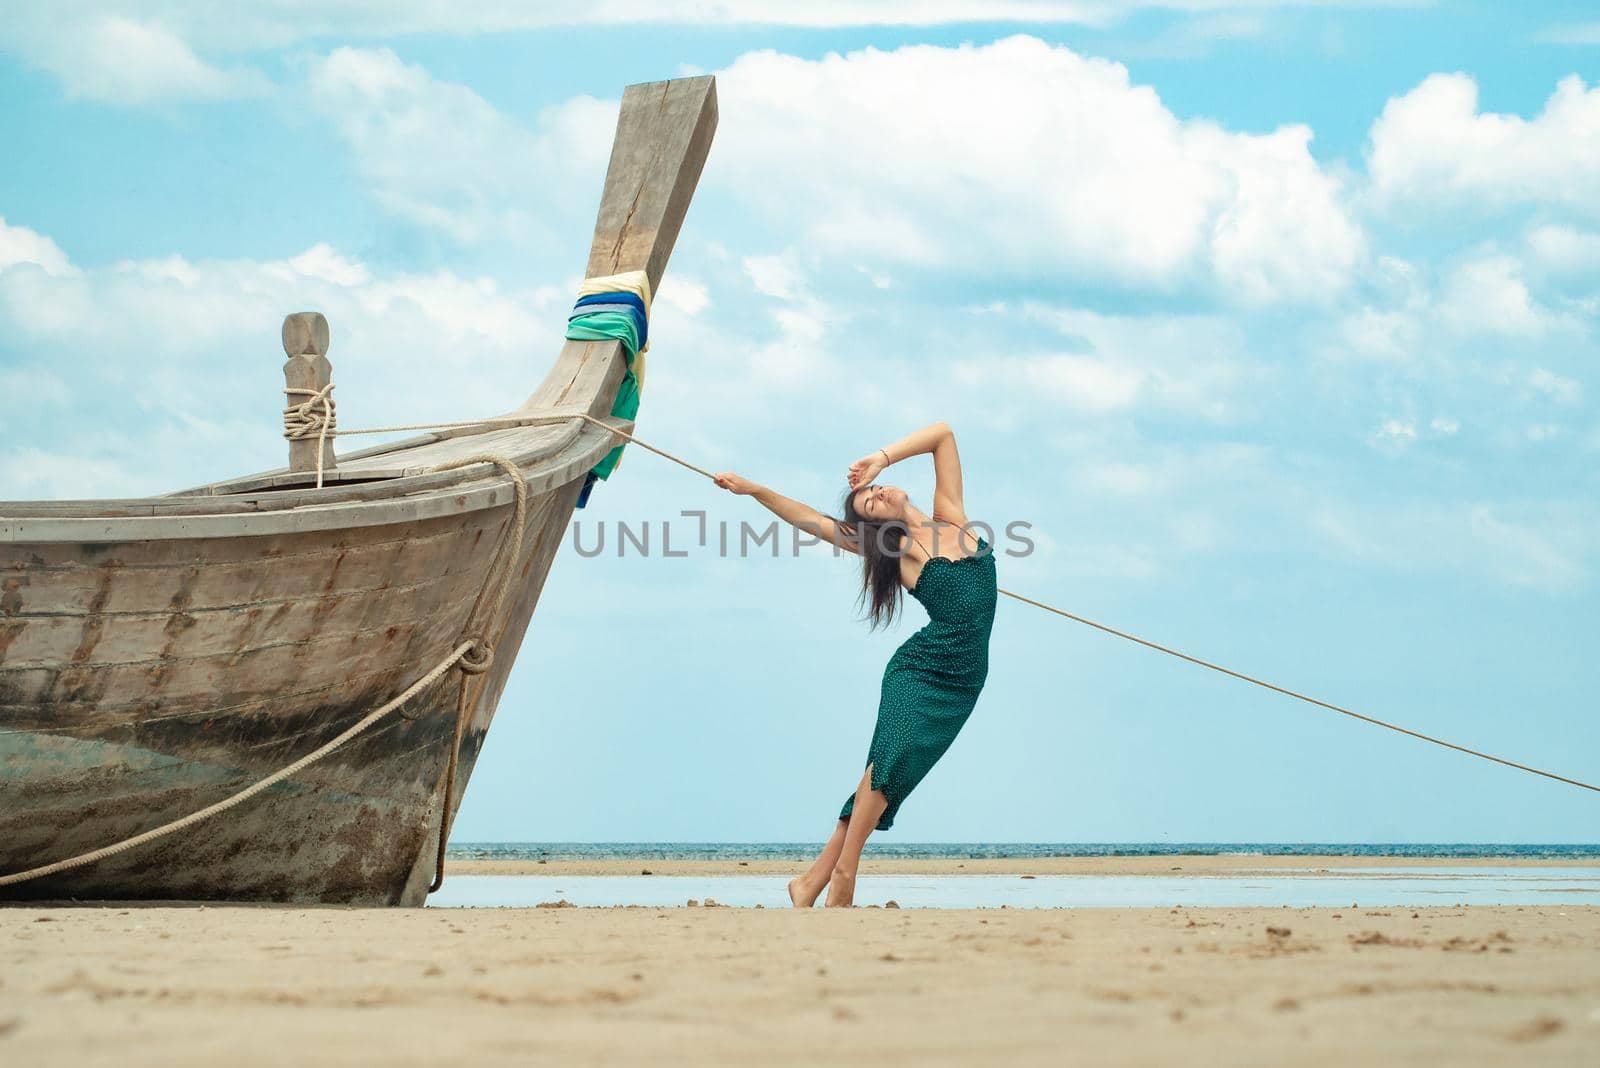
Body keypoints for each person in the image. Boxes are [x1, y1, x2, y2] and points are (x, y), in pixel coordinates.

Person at [712, 421, 998, 907]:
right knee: (885, 771)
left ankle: (809, 882)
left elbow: (943, 435)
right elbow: (811, 520)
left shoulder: (951, 517)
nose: (878, 494)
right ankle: (843, 878)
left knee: (886, 778)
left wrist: (880, 459)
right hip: (920, 672)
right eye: (870, 503)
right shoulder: (896, 549)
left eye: (876, 491)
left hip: (966, 682)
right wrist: (755, 489)